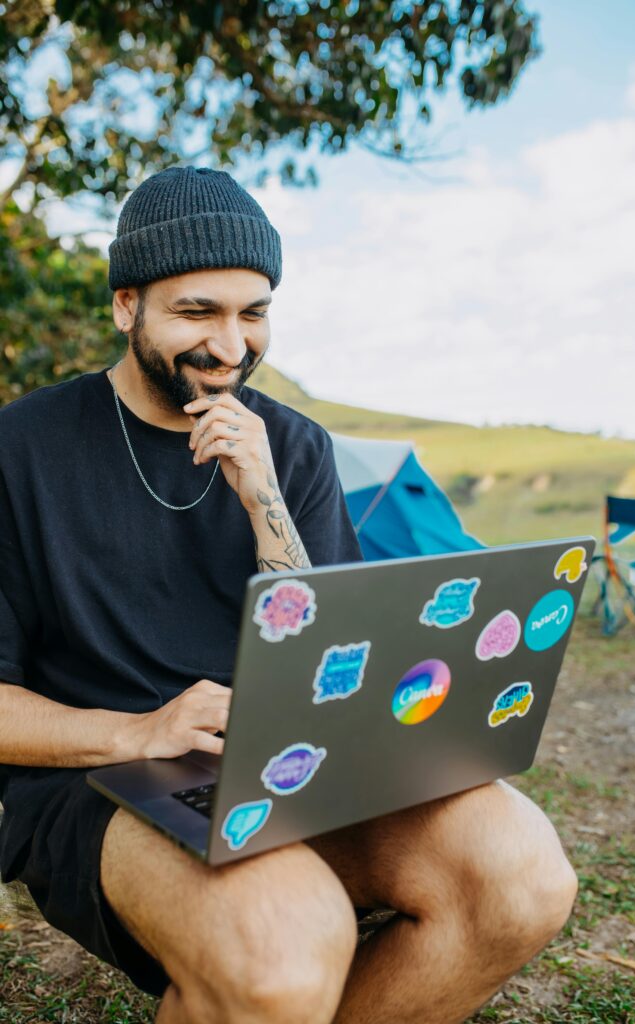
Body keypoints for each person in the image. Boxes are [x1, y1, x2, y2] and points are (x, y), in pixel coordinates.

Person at [0, 166, 578, 1024]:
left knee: (523, 877)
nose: (231, 347)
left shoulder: (294, 449)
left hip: (279, 763)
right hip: (102, 774)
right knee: (283, 951)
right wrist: (141, 730)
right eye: (197, 312)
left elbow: (329, 663)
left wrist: (264, 497)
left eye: (254, 312)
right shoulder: (23, 448)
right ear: (127, 306)